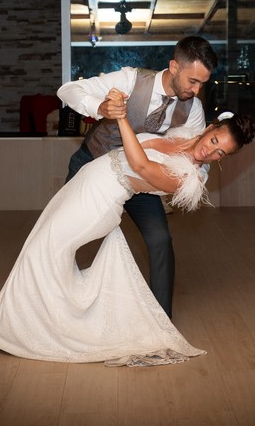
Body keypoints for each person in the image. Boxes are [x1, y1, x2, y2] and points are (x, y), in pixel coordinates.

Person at [0, 96, 255, 366]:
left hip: (99, 202)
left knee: (38, 252)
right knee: (41, 250)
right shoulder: (182, 136)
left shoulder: (190, 178)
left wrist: (122, 117)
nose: (210, 151)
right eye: (214, 140)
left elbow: (140, 164)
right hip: (86, 181)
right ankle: (40, 321)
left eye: (220, 153)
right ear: (210, 128)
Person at [57, 36, 217, 319]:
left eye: (202, 84)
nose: (196, 90)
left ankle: (161, 319)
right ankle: (55, 300)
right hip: (92, 166)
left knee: (160, 239)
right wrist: (100, 108)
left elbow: (198, 155)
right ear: (174, 66)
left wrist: (197, 177)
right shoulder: (131, 80)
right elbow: (68, 90)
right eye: (193, 81)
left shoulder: (193, 110)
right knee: (62, 234)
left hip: (139, 182)